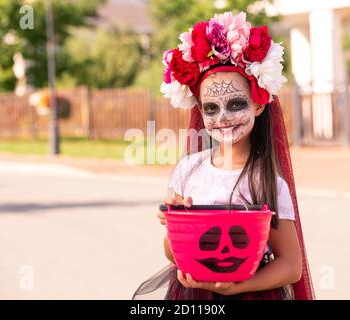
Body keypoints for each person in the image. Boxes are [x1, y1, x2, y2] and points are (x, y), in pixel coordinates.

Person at [132, 11, 314, 300]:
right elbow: (173, 253)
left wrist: (239, 286)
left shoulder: (265, 181)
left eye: (236, 104)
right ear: (200, 111)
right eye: (211, 108)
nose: (224, 118)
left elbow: (291, 267)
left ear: (258, 105)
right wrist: (176, 224)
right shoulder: (188, 171)